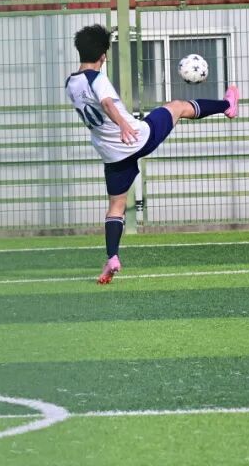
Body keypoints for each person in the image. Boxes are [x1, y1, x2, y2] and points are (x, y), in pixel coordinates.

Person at [66, 24, 238, 285]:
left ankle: (112, 257)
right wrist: (123, 125)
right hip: (137, 138)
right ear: (103, 55)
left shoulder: (71, 83)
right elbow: (107, 103)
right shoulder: (96, 79)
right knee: (177, 107)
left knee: (116, 206)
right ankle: (228, 106)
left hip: (111, 153)